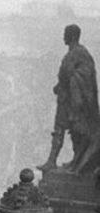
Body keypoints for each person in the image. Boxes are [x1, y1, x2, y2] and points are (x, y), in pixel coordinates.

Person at [39, 24, 100, 173]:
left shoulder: (79, 53)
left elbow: (80, 75)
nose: (63, 37)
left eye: (65, 33)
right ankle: (59, 160)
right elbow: (66, 75)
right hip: (68, 99)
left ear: (72, 36)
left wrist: (69, 85)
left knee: (70, 130)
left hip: (73, 101)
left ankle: (67, 161)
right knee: (66, 130)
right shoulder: (75, 53)